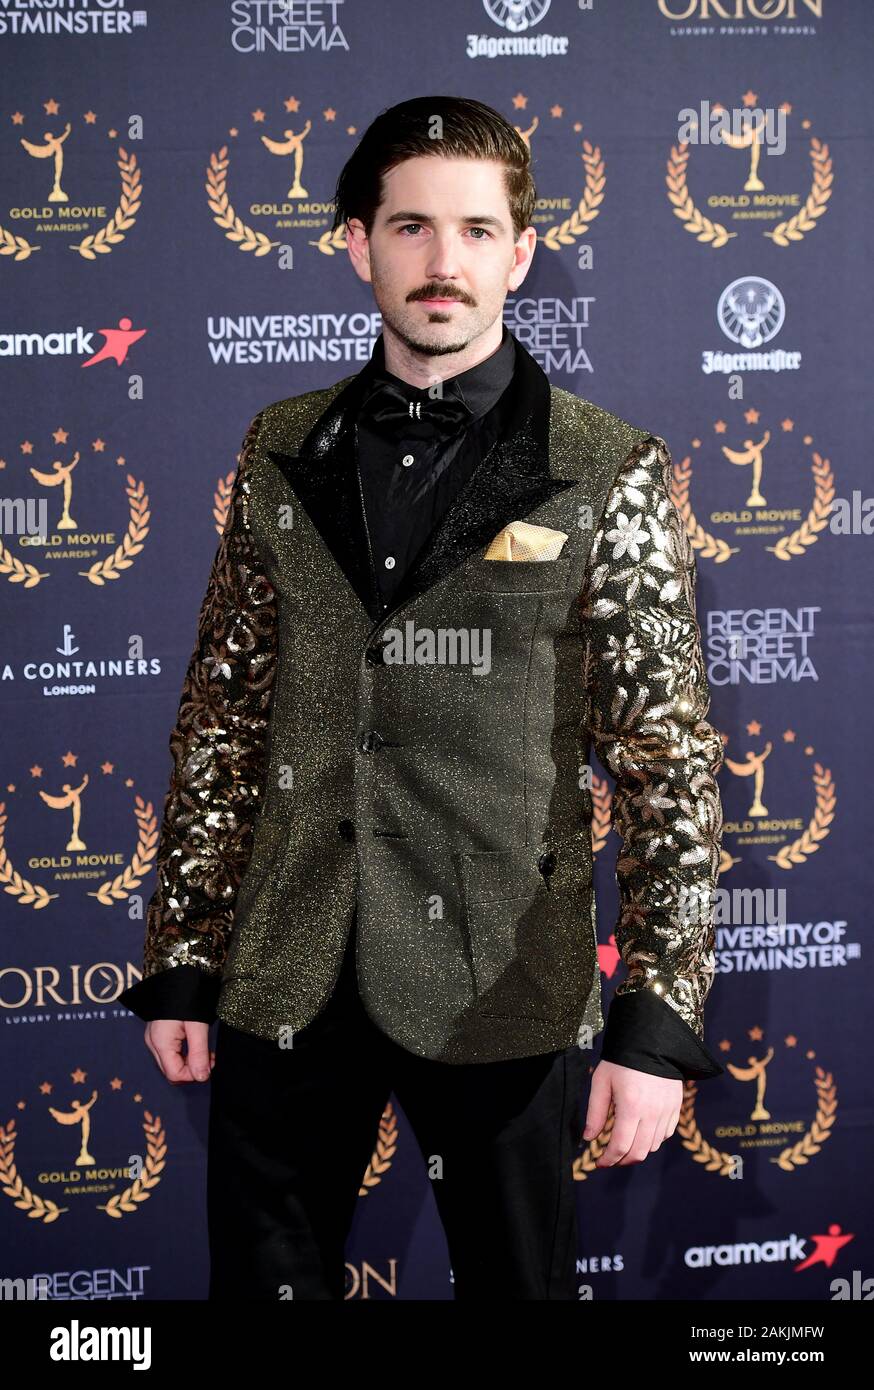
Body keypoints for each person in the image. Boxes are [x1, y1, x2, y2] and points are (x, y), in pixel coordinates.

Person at [120, 95, 725, 1301]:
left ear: (519, 249)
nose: (442, 263)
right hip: (288, 965)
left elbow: (667, 761)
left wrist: (653, 1023)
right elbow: (224, 715)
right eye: (408, 227)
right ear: (358, 244)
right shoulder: (277, 444)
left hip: (503, 982)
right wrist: (187, 952)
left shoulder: (605, 465)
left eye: (473, 230)